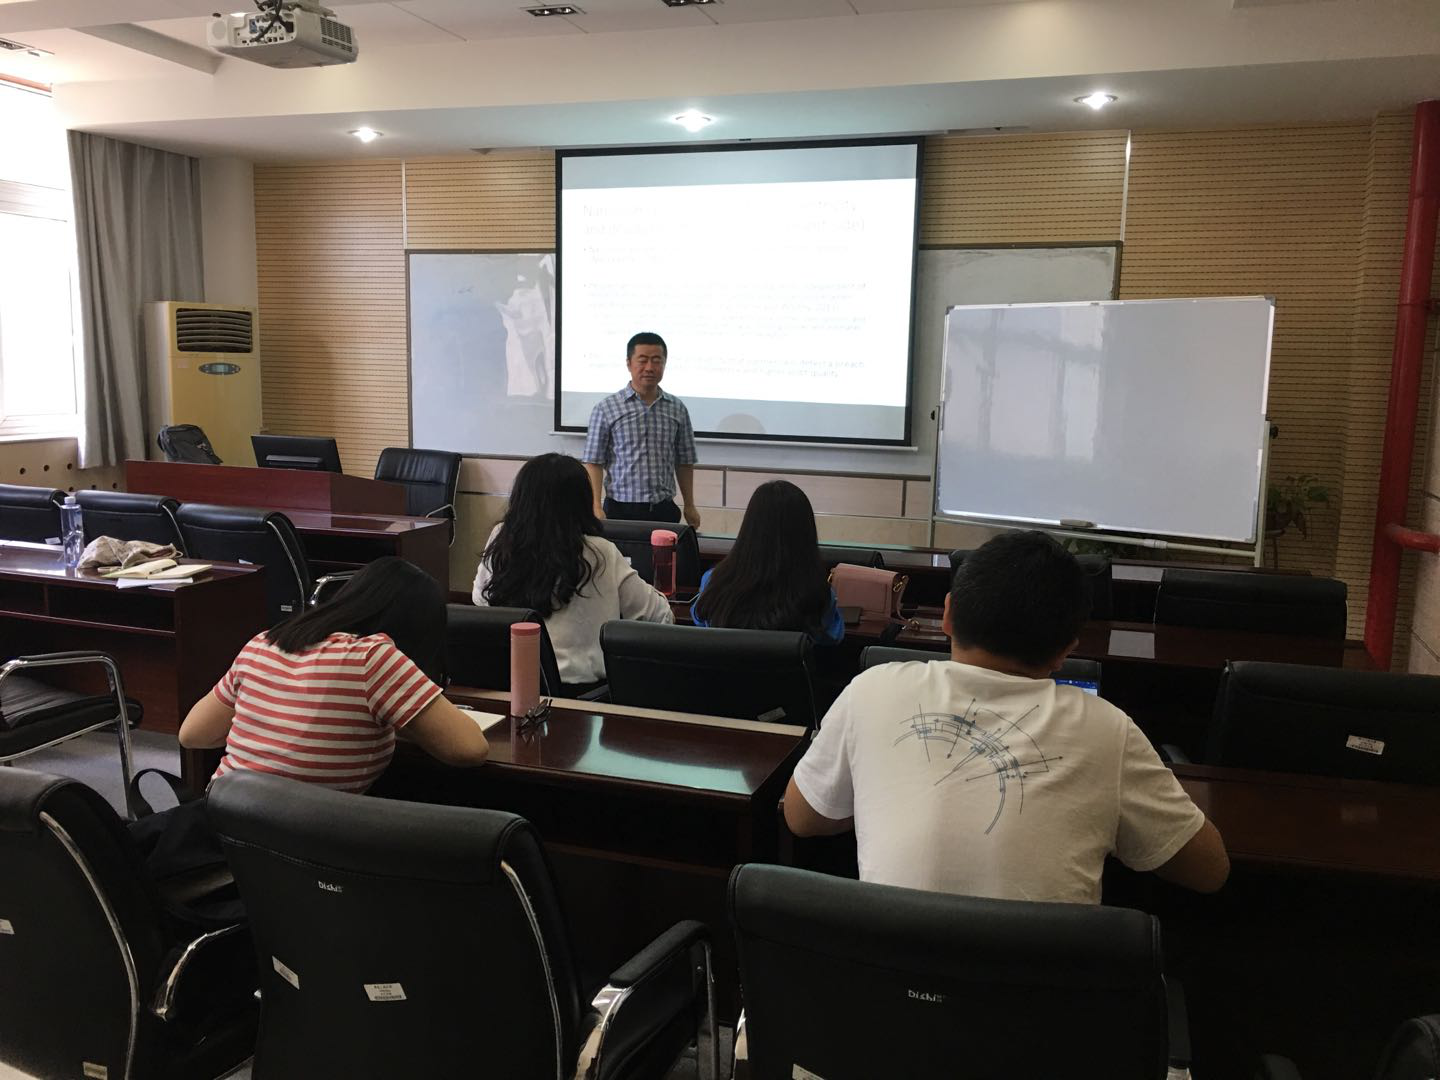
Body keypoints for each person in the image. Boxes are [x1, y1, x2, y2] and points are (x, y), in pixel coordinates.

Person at [783, 530, 1229, 904]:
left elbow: (803, 818)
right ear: (1066, 650)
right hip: (1036, 985)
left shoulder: (872, 689)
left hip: (890, 981)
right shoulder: (1108, 729)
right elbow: (1210, 871)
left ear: (948, 615)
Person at [180, 556, 489, 792]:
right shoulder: (374, 657)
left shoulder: (265, 642)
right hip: (303, 846)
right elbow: (471, 748)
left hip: (223, 827)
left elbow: (194, 734)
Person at [473, 452, 673, 686]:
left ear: (521, 498)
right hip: (583, 696)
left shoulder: (502, 539)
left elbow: (480, 600)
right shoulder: (600, 552)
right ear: (581, 502)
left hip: (509, 686)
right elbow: (660, 617)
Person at [691, 479, 843, 645]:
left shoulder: (713, 581)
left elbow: (700, 621)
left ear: (749, 528)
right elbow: (833, 637)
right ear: (806, 534)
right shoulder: (819, 594)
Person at [582, 331, 701, 528]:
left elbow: (685, 462)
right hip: (620, 509)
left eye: (657, 361)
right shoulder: (606, 408)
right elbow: (593, 461)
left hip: (664, 509)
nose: (649, 367)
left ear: (664, 364)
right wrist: (595, 505)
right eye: (643, 360)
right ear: (629, 363)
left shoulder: (677, 408)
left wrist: (690, 504)